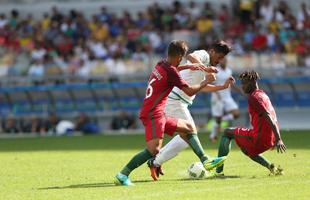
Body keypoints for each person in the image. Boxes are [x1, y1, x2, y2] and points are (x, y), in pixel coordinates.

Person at [115, 40, 226, 186]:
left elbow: (176, 69)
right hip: (153, 114)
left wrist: (190, 65)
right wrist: (206, 80)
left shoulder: (161, 64)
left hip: (157, 111)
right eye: (182, 58)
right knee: (153, 150)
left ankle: (205, 160)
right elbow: (189, 90)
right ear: (180, 56)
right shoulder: (172, 72)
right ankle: (122, 175)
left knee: (189, 128)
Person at [148, 41, 234, 180]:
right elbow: (191, 56)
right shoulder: (204, 55)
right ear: (212, 51)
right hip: (175, 101)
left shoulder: (206, 64)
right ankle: (205, 160)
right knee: (190, 131)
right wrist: (205, 69)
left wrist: (222, 87)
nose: (219, 60)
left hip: (178, 101)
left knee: (185, 139)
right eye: (219, 56)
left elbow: (202, 87)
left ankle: (155, 161)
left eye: (222, 58)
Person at [215, 70, 286, 176]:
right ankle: (273, 168)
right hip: (268, 137)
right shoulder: (262, 94)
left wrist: (279, 139)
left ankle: (218, 172)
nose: (242, 86)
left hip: (260, 138)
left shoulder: (254, 97)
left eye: (244, 83)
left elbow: (268, 115)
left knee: (227, 132)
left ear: (252, 82)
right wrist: (276, 137)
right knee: (246, 149)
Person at [209, 57, 241, 142]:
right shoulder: (216, 70)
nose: (224, 61)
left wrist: (239, 90)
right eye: (222, 60)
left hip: (227, 97)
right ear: (219, 61)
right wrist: (217, 93)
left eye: (225, 60)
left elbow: (231, 83)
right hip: (217, 97)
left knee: (236, 114)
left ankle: (222, 119)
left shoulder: (229, 71)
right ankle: (213, 136)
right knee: (217, 120)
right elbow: (211, 83)